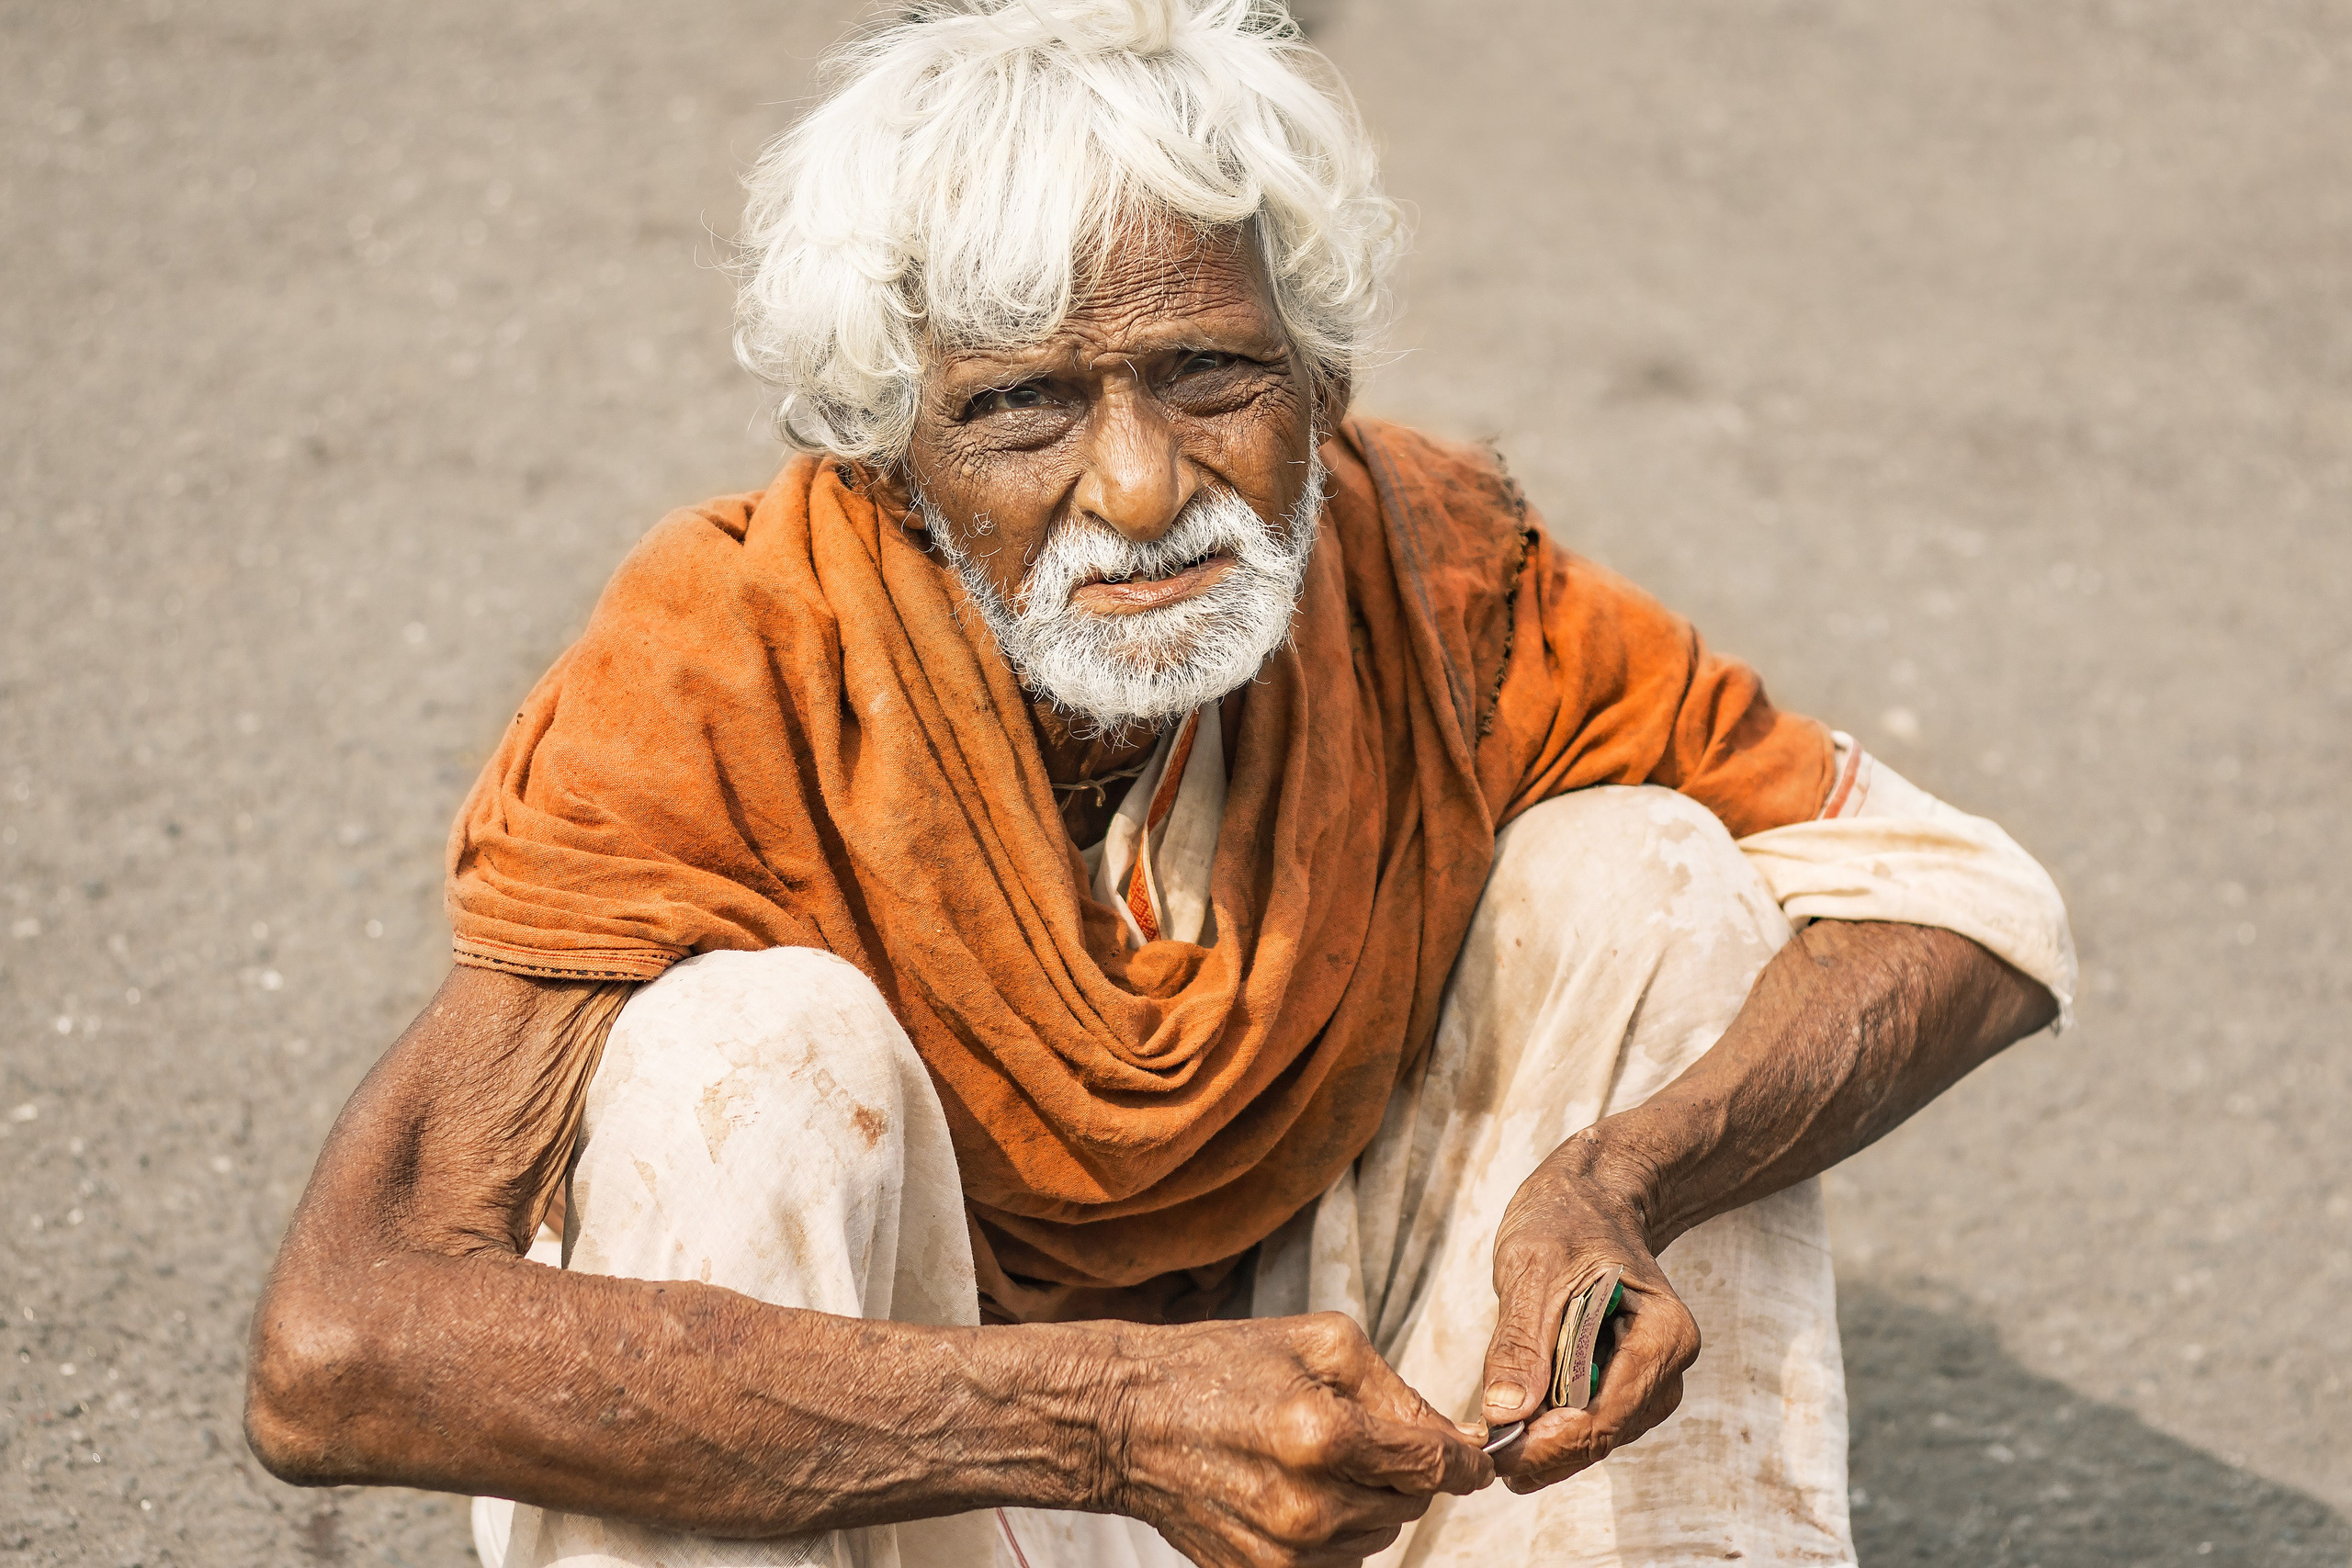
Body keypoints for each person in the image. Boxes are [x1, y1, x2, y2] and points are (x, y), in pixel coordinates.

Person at [243, 4, 2073, 1565]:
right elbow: (340, 1337)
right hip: (919, 1482)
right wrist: (1105, 1419)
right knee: (752, 1054)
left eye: (1208, 373)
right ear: (893, 461)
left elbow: (1960, 902)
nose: (1138, 490)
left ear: (1323, 381)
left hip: (1360, 1462)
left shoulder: (1422, 565)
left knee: (1650, 878)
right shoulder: (733, 650)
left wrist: (1615, 1179)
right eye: (1022, 406)